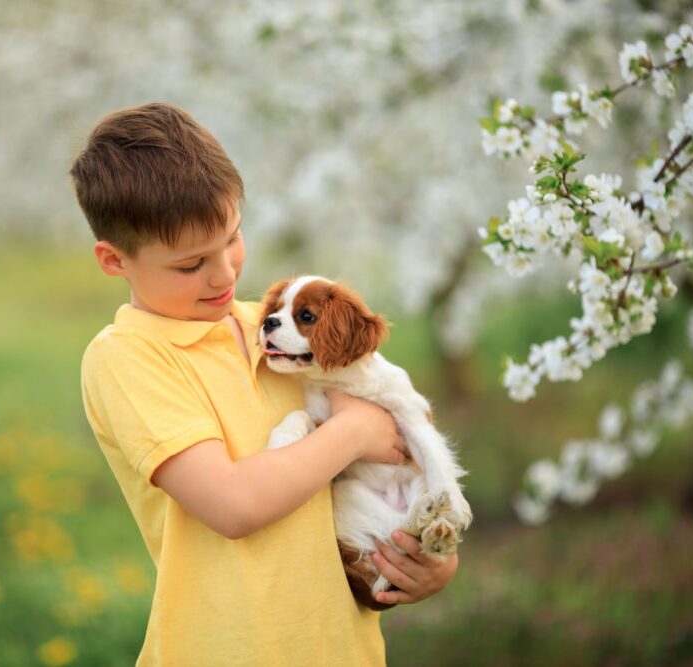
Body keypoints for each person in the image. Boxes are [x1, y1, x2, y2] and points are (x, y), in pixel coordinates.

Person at [71, 102, 458, 666]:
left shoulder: (283, 329)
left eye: (232, 238)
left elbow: (407, 434)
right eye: (191, 264)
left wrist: (431, 559)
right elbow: (233, 504)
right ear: (114, 260)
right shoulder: (129, 357)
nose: (225, 273)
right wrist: (353, 432)